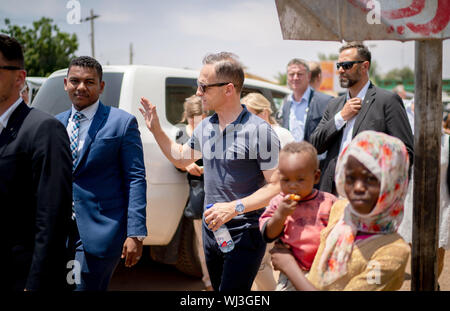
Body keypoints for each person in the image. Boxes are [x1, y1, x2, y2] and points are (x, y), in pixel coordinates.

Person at [139, 52, 280, 291]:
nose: (198, 93)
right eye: (198, 86)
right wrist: (156, 130)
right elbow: (182, 158)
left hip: (245, 230)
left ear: (228, 89)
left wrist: (234, 207)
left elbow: (277, 185)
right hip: (212, 228)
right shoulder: (206, 127)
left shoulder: (259, 131)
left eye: (204, 87)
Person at [271, 130, 411, 290]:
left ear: (392, 182)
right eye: (350, 178)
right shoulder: (340, 209)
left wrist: (289, 267)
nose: (358, 187)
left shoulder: (393, 251)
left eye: (371, 179)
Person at [56, 56, 147, 291]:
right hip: (59, 232)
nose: (81, 87)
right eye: (75, 81)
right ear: (66, 83)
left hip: (100, 231)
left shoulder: (121, 123)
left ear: (101, 86)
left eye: (89, 82)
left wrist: (135, 233)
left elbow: (135, 179)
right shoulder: (55, 125)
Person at [0, 34, 72, 291]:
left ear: (19, 78)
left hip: (22, 275)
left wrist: (36, 283)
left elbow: (52, 217)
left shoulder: (44, 129)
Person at [310, 41, 414, 195]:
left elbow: (405, 152)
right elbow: (315, 144)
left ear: (364, 66)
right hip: (332, 192)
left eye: (347, 65)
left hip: (369, 193)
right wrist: (341, 117)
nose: (340, 71)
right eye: (338, 66)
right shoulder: (335, 105)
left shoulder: (387, 100)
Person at [259, 141, 337, 291]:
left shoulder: (328, 202)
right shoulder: (279, 203)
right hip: (292, 274)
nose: (293, 185)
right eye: (286, 180)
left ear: (316, 177)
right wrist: (280, 215)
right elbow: (268, 234)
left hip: (326, 271)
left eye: (300, 179)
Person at [241, 92, 294, 290]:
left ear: (263, 113)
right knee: (259, 261)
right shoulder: (252, 132)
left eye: (249, 114)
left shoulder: (281, 134)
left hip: (275, 203)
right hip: (258, 202)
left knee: (259, 260)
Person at [398, 113, 450, 287]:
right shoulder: (411, 141)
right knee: (416, 252)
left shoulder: (448, 142)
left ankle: (433, 284)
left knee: (438, 252)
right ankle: (422, 283)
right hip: (414, 201)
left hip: (441, 204)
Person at [175, 94, 212, 291]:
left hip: (216, 191)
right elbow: (175, 160)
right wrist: (187, 166)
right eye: (193, 119)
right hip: (197, 193)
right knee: (201, 242)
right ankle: (209, 281)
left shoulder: (213, 131)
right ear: (187, 116)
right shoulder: (181, 133)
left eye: (201, 118)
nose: (198, 123)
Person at [277, 58, 333, 143]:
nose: (295, 78)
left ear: (309, 76)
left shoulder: (325, 102)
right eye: (291, 74)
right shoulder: (286, 103)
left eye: (299, 74)